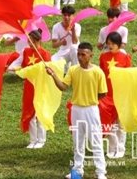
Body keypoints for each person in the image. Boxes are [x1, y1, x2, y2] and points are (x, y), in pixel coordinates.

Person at [44, 42, 107, 179]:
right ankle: (78, 170)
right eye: (78, 54)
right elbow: (62, 86)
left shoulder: (97, 72)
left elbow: (103, 93)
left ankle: (101, 172)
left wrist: (90, 99)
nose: (79, 57)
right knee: (77, 141)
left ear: (91, 55)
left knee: (95, 141)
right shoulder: (73, 70)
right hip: (76, 110)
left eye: (83, 54)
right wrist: (53, 75)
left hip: (91, 110)